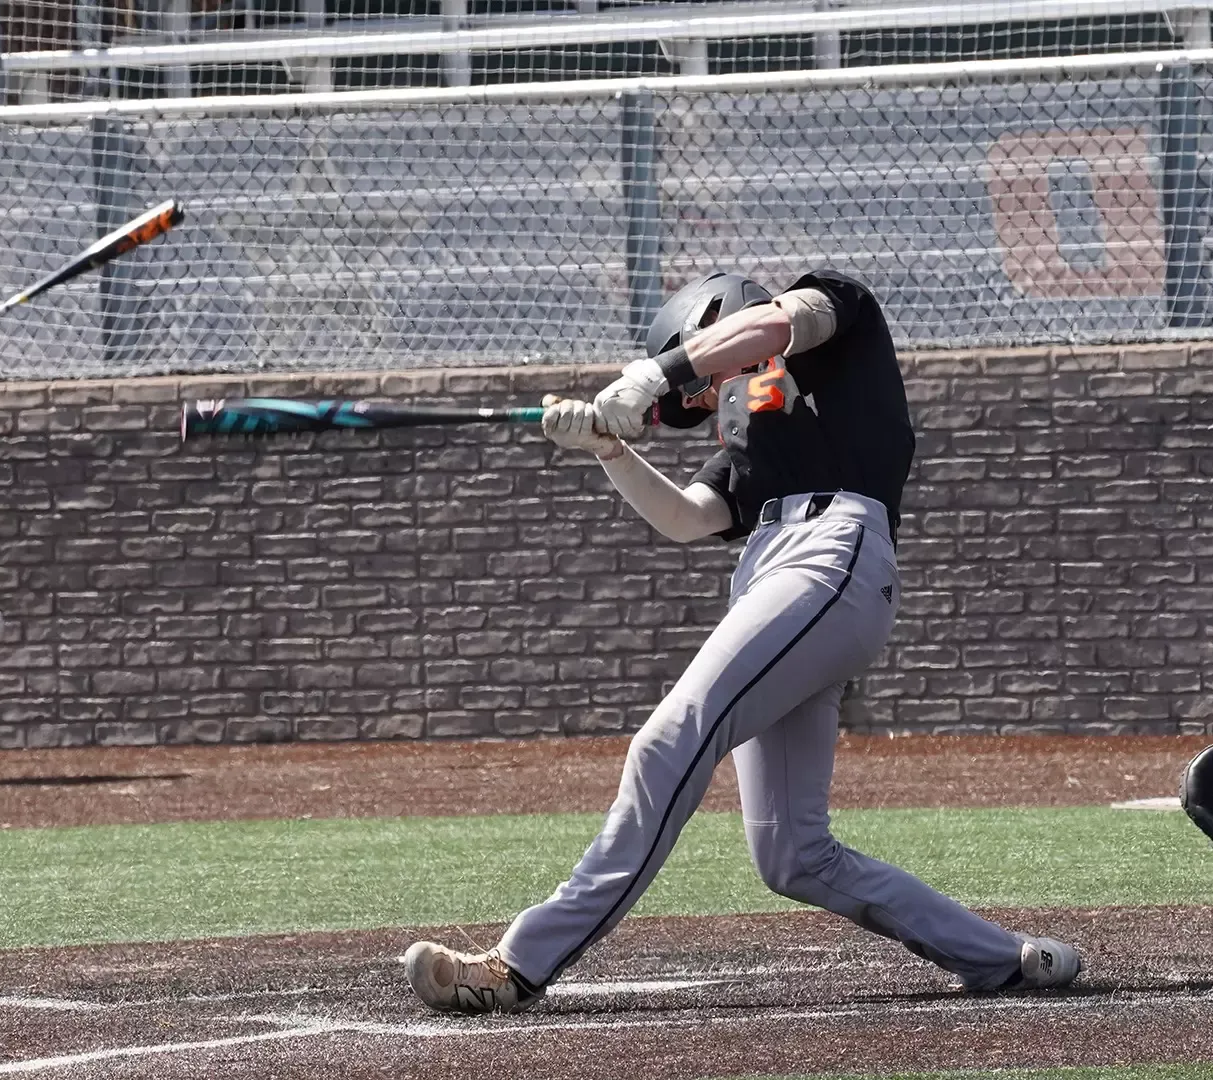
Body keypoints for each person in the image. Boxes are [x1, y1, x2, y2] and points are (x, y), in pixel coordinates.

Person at [401, 269, 1082, 1014]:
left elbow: (769, 330)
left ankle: (519, 964)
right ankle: (1002, 960)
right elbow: (690, 518)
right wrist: (609, 451)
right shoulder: (752, 433)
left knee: (670, 739)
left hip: (833, 549)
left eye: (693, 380)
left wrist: (653, 372)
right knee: (794, 855)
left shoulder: (830, 311)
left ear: (710, 318)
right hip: (777, 575)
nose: (693, 400)